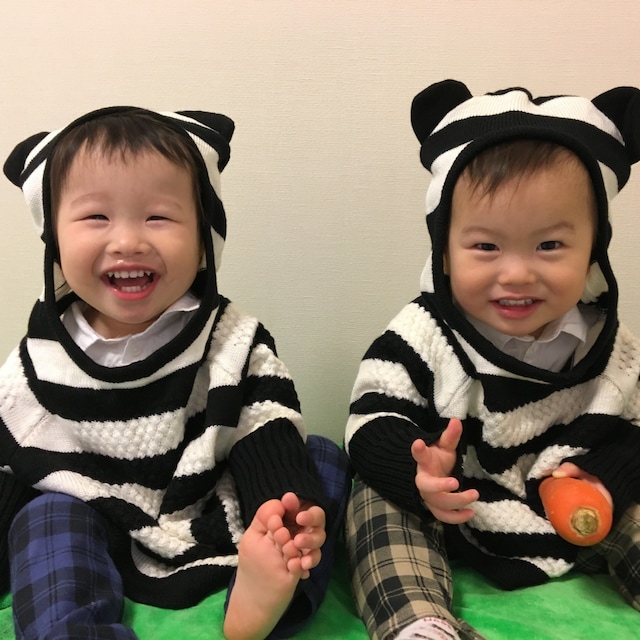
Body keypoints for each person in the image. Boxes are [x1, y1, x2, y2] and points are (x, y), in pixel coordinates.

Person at [0, 106, 350, 640]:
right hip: (99, 531)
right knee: (46, 516)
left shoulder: (230, 337)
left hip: (218, 514)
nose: (128, 241)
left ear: (204, 234)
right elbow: (14, 460)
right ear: (54, 238)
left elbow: (264, 427)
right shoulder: (41, 358)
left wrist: (282, 514)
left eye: (158, 217)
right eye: (96, 217)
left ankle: (260, 601)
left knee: (317, 465)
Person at [344, 79, 640, 640]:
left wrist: (604, 479)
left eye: (549, 246)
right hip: (452, 509)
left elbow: (632, 429)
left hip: (573, 515)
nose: (517, 273)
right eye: (486, 246)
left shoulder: (610, 345)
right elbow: (371, 417)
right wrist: (418, 472)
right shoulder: (424, 333)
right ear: (444, 251)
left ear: (593, 250)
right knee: (374, 502)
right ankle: (418, 621)